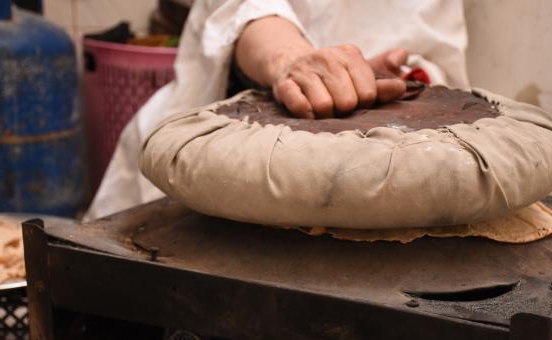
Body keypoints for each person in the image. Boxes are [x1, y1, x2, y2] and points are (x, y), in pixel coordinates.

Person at [84, 0, 469, 221]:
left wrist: (399, 77)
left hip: (393, 145)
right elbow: (239, 8)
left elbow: (432, 40)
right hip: (231, 117)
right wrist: (292, 61)